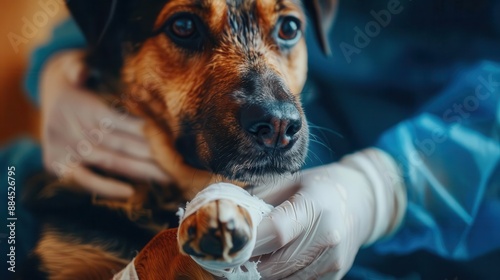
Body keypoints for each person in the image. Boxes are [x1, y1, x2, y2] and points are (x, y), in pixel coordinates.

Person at [8, 0, 500, 279]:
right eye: (186, 27)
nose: (277, 116)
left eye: (286, 28)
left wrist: (382, 188)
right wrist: (63, 62)